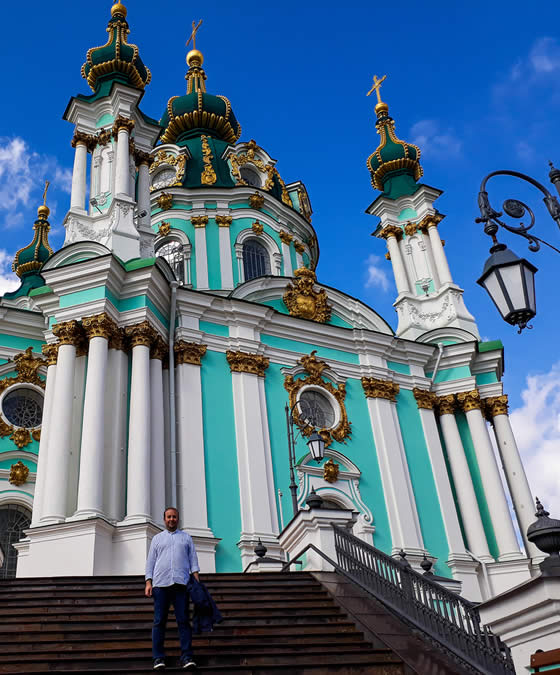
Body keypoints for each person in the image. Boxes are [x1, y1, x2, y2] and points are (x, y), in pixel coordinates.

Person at [145, 507, 200, 670]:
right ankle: (158, 658)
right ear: (164, 519)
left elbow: (193, 560)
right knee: (159, 622)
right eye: (169, 517)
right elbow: (150, 562)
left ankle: (187, 657)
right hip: (160, 585)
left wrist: (197, 582)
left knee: (183, 621)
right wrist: (148, 582)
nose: (171, 519)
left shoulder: (186, 538)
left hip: (181, 584)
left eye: (174, 517)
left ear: (178, 519)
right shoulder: (157, 539)